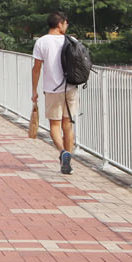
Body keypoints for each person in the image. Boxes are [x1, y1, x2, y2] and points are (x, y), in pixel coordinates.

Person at [31, 11, 78, 174]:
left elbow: (36, 69)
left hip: (52, 89)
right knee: (68, 125)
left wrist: (34, 90)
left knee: (55, 125)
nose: (67, 25)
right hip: (70, 87)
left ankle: (62, 152)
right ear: (60, 24)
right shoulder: (72, 40)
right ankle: (69, 162)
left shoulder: (41, 42)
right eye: (66, 23)